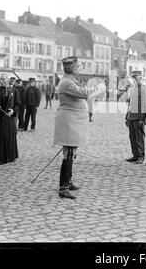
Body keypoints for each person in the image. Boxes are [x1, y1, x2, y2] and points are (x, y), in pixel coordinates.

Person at [54, 56, 90, 199]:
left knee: (71, 153)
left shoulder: (70, 81)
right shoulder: (68, 83)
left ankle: (68, 182)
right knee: (68, 154)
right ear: (73, 69)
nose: (80, 69)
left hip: (73, 122)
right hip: (69, 123)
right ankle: (63, 188)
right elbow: (84, 94)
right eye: (79, 67)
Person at [0, 74, 21, 164]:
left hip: (9, 118)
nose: (1, 81)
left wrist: (13, 111)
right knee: (0, 137)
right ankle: (0, 158)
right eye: (0, 79)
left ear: (8, 80)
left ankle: (10, 156)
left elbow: (18, 103)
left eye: (3, 79)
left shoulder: (14, 91)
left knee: (9, 137)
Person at [125, 71, 146, 164]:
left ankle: (141, 155)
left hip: (138, 117)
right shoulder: (133, 89)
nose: (134, 79)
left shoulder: (143, 88)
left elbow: (145, 105)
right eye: (133, 77)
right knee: (132, 136)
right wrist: (127, 116)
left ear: (140, 77)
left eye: (136, 77)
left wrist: (143, 119)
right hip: (131, 116)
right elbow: (130, 103)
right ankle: (135, 154)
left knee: (139, 137)